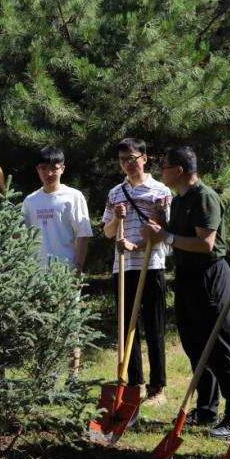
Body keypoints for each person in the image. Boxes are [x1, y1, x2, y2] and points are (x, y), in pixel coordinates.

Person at [142, 146, 230, 439]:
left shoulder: (204, 197)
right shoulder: (179, 199)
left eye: (165, 166)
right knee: (194, 344)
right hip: (186, 275)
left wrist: (166, 236)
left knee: (219, 346)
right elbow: (177, 237)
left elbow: (205, 244)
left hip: (209, 275)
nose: (161, 171)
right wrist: (163, 224)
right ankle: (206, 409)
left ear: (179, 170)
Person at [101, 138, 171, 406]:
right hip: (123, 266)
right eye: (123, 160)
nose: (128, 164)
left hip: (151, 264)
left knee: (154, 327)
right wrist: (117, 219)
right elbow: (108, 233)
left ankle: (158, 387)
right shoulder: (115, 193)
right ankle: (135, 384)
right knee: (127, 327)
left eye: (132, 158)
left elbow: (164, 231)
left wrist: (136, 245)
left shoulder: (160, 190)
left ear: (144, 158)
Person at [20, 146, 93, 379]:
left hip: (66, 273)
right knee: (44, 327)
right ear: (37, 170)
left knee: (70, 326)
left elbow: (83, 234)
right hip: (38, 275)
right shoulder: (31, 201)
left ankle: (73, 377)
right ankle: (49, 376)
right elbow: (22, 237)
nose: (49, 173)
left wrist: (77, 269)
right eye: (44, 168)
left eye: (54, 168)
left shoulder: (73, 197)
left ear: (63, 168)